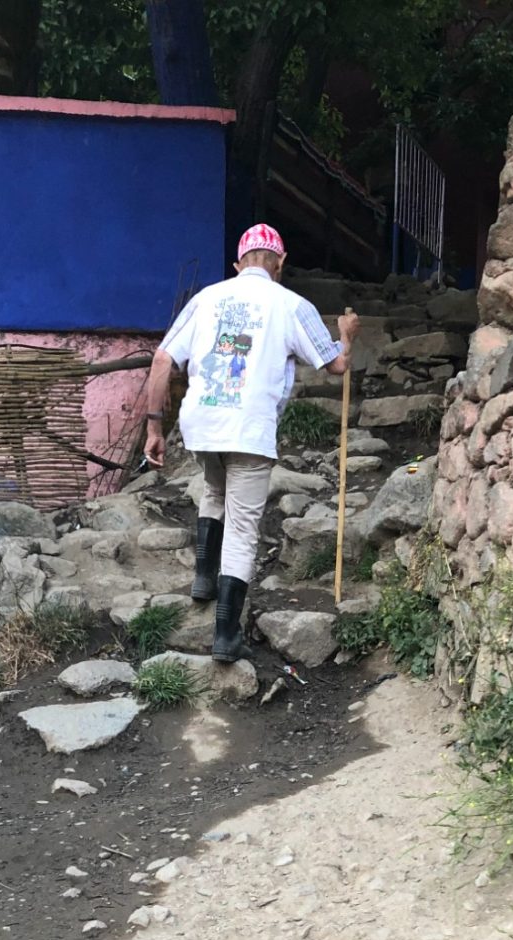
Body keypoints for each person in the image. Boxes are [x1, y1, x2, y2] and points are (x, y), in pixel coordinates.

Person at [143, 224, 358, 662]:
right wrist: (347, 332)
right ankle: (225, 635)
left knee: (214, 488)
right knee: (242, 530)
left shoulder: (206, 299)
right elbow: (336, 365)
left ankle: (204, 578)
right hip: (250, 429)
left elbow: (163, 357)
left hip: (202, 426)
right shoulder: (292, 304)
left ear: (238, 264)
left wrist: (152, 427)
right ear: (280, 264)